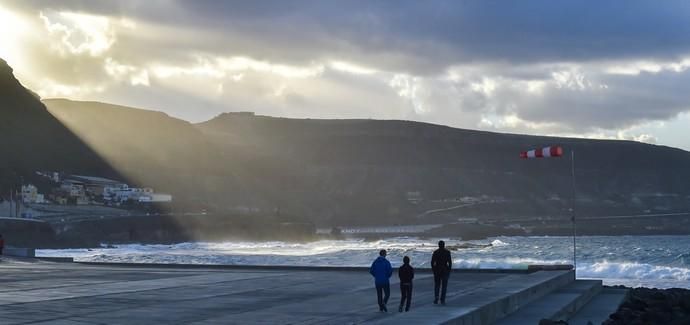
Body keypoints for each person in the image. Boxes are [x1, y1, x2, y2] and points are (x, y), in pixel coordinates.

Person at [431, 240, 452, 305]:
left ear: (438, 245)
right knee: (444, 286)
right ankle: (442, 300)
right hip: (445, 270)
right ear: (444, 245)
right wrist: (448, 270)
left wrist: (434, 270)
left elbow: (432, 262)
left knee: (437, 285)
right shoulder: (447, 252)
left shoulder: (435, 252)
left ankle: (436, 298)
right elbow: (450, 263)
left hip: (437, 270)